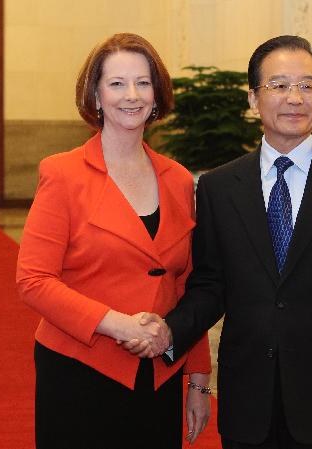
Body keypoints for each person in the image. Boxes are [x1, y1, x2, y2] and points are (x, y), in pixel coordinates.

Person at [126, 35, 312, 449]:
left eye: (308, 86)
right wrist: (169, 331)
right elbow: (211, 284)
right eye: (280, 86)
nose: (295, 98)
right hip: (248, 396)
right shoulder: (220, 187)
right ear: (254, 99)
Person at [16, 33, 211, 449]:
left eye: (143, 83)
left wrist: (198, 378)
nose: (132, 95)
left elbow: (186, 284)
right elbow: (33, 279)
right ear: (96, 96)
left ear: (157, 96)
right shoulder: (63, 174)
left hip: (159, 372)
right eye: (117, 83)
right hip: (79, 368)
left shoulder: (177, 180)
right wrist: (117, 323)